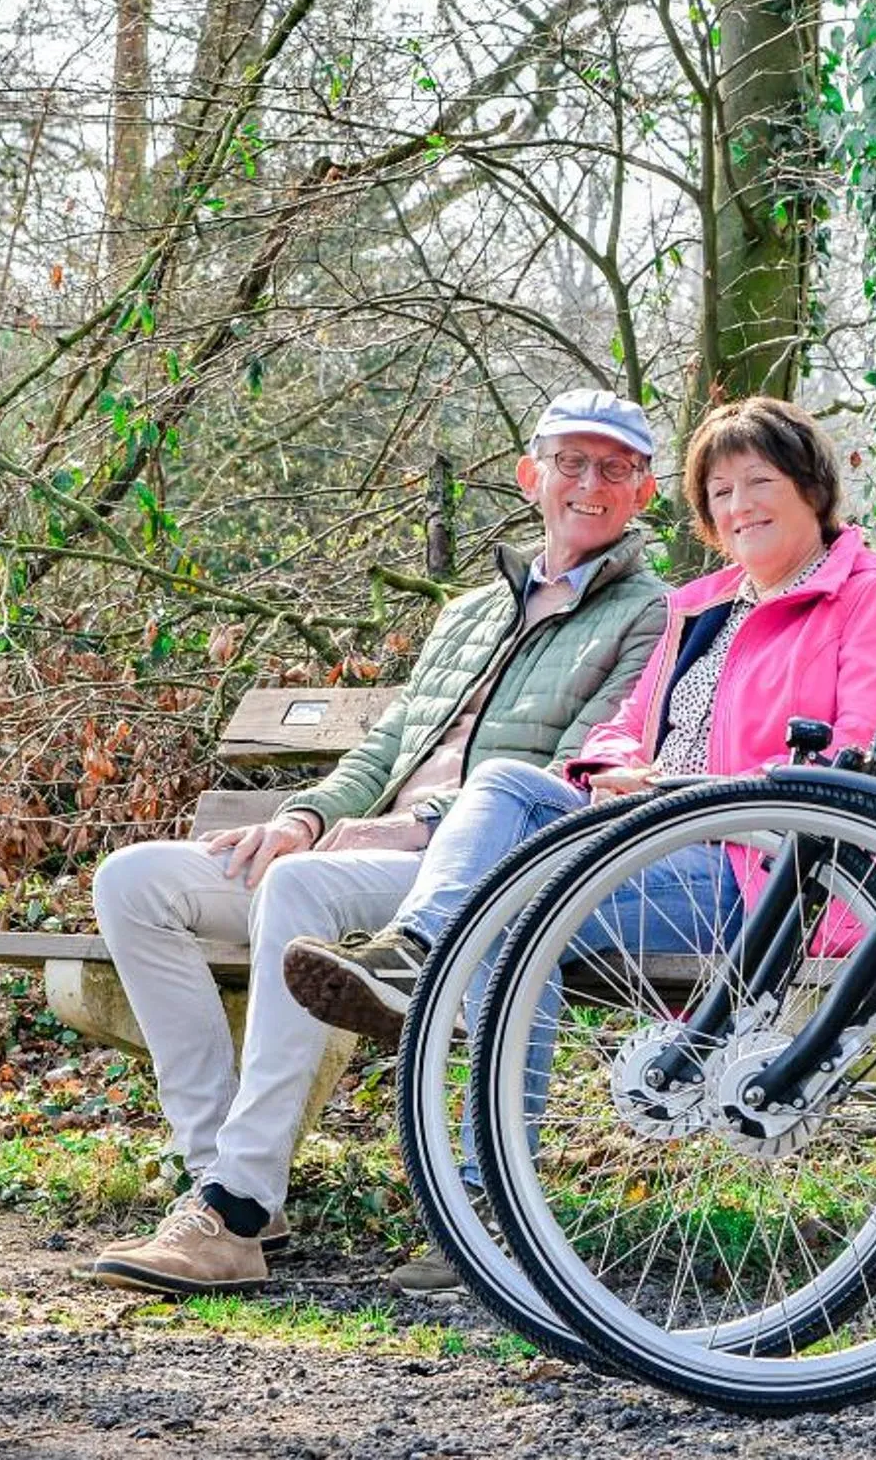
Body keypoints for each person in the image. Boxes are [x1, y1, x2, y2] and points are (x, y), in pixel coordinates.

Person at [81, 389, 670, 1298]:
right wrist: (302, 818)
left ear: (644, 493)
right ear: (530, 476)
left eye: (615, 468)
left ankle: (234, 1212)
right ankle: (219, 1174)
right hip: (361, 858)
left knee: (300, 892)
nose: (588, 483)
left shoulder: (649, 613)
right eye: (570, 462)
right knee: (135, 881)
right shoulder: (472, 611)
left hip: (474, 867)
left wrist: (418, 824)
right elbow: (387, 745)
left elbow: (574, 770)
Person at [282, 394, 876, 1048]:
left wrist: (686, 793)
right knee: (505, 782)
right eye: (720, 490)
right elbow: (621, 725)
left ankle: (487, 1149)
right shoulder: (701, 607)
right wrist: (612, 768)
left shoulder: (867, 597)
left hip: (768, 872)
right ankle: (412, 949)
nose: (739, 506)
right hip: (654, 841)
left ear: (811, 489)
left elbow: (859, 757)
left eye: (760, 482)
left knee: (508, 911)